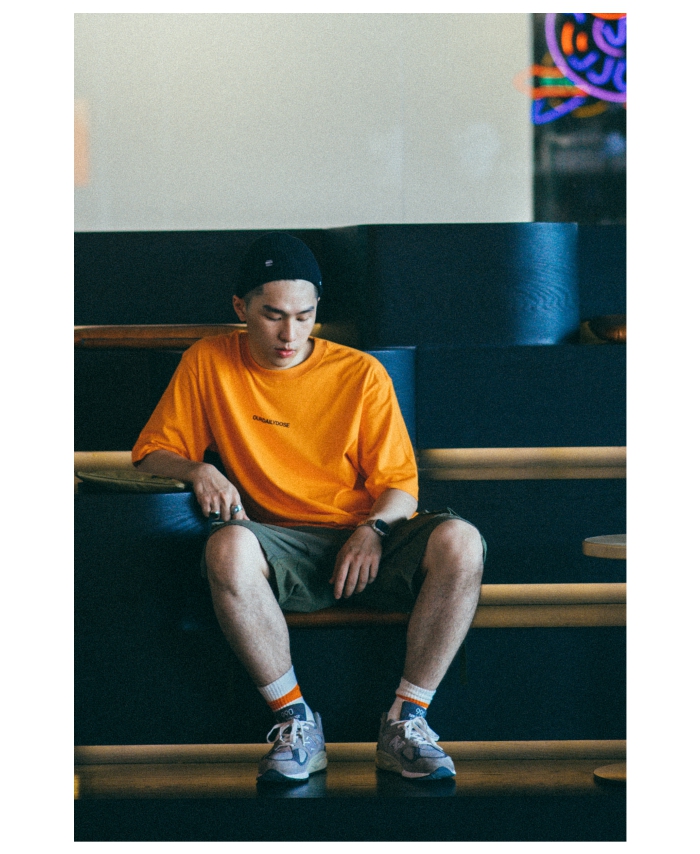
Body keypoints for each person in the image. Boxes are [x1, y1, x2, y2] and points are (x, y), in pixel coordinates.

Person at [132, 232, 485, 784]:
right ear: (240, 308)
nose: (289, 334)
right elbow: (151, 453)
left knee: (461, 540)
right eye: (273, 316)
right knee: (226, 548)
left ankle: (407, 721)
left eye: (304, 316)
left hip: (369, 535)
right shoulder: (208, 361)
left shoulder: (361, 373)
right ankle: (295, 722)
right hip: (278, 541)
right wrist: (198, 469)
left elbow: (400, 486)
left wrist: (373, 529)